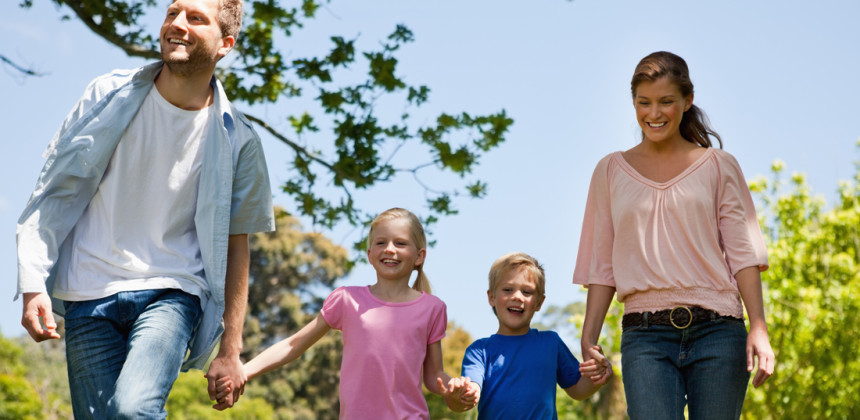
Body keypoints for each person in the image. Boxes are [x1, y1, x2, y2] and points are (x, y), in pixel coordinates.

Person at [15, 0, 274, 417]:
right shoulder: (106, 95)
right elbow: (54, 191)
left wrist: (231, 349)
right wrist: (33, 283)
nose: (177, 24)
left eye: (195, 18)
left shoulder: (238, 140)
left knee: (135, 410)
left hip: (172, 291)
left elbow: (236, 244)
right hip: (88, 293)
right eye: (172, 13)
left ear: (225, 44)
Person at [573, 51, 775, 419]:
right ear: (632, 103)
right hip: (645, 337)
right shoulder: (609, 171)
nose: (654, 113)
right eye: (643, 103)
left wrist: (758, 327)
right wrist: (589, 338)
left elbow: (742, 253)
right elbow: (602, 264)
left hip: (719, 332)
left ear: (687, 100)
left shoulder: (719, 165)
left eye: (666, 102)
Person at [215, 207, 479, 418]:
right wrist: (244, 371)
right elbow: (294, 344)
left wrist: (453, 388)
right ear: (369, 253)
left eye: (400, 243)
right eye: (381, 242)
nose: (389, 249)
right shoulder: (346, 299)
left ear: (419, 256)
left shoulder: (432, 308)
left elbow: (434, 375)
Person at [459, 252, 612, 419]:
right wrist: (464, 392)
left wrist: (598, 377)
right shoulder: (479, 351)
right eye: (508, 289)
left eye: (527, 292)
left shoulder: (551, 343)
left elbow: (577, 389)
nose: (517, 297)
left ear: (539, 302)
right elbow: (471, 390)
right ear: (491, 297)